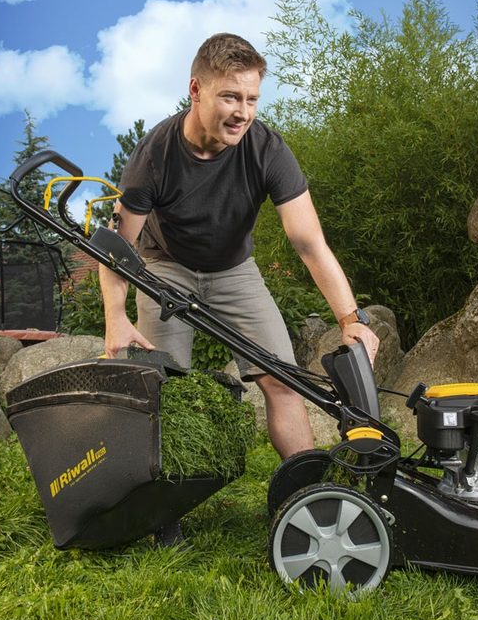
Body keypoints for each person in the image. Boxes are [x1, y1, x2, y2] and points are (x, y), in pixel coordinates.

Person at [99, 32, 379, 463]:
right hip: (165, 268)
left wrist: (350, 318)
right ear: (196, 90)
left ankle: (306, 487)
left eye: (252, 99)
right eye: (231, 97)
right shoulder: (154, 154)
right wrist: (115, 319)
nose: (243, 113)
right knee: (160, 386)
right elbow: (118, 247)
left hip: (235, 270)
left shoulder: (268, 150)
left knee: (284, 379)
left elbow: (309, 243)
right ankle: (158, 496)